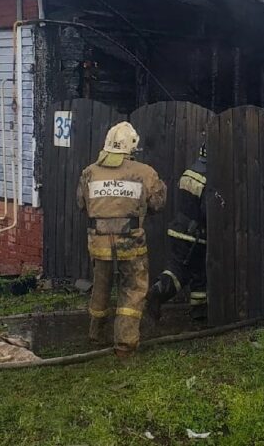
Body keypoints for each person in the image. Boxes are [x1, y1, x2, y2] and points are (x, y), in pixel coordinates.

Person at [77, 121, 166, 358]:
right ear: (131, 146)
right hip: (131, 243)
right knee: (133, 289)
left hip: (99, 243)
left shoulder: (89, 172)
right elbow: (158, 203)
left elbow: (81, 204)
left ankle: (96, 334)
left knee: (101, 286)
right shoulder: (144, 172)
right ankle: (124, 344)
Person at [148, 142, 208, 321]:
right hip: (195, 235)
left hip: (178, 230)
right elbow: (206, 210)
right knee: (198, 273)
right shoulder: (208, 176)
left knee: (176, 268)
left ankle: (158, 290)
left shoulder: (190, 172)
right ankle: (199, 312)